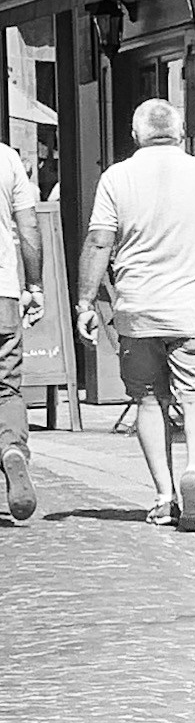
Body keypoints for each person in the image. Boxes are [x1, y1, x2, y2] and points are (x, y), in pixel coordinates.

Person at [77, 100, 195, 532]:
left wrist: (85, 302)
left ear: (136, 136)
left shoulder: (117, 177)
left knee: (149, 401)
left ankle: (164, 494)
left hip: (138, 310)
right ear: (181, 131)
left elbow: (98, 242)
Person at [0, 131, 42, 523]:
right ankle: (12, 450)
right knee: (5, 389)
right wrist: (35, 285)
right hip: (2, 297)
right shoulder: (7, 159)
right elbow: (28, 227)